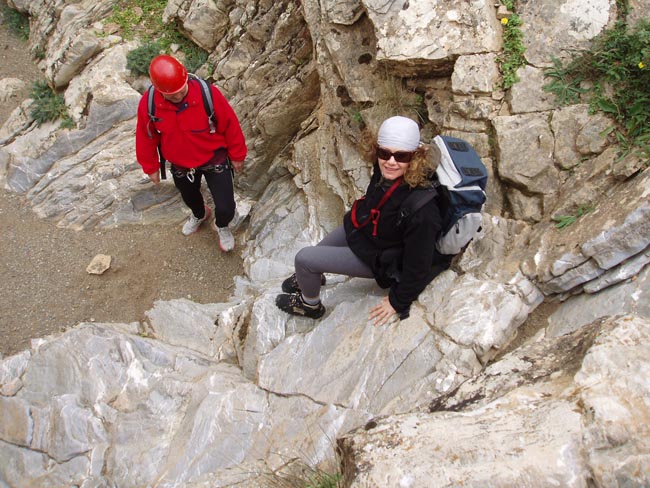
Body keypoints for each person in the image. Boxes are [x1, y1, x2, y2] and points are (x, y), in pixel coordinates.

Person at [275, 116, 453, 325]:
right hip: (369, 230)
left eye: (401, 156)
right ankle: (313, 276)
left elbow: (419, 265)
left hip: (380, 258)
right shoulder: (387, 170)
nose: (391, 161)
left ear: (415, 157)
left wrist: (397, 301)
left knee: (304, 259)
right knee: (315, 256)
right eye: (384, 153)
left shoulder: (423, 211)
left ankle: (310, 305)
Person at [135, 54, 247, 252]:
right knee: (190, 198)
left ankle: (222, 225)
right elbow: (146, 136)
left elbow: (230, 123)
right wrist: (150, 166)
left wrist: (237, 155)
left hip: (213, 157)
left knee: (226, 207)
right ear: (159, 91)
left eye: (181, 91)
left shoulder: (207, 94)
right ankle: (200, 214)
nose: (178, 97)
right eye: (172, 95)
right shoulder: (149, 103)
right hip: (180, 163)